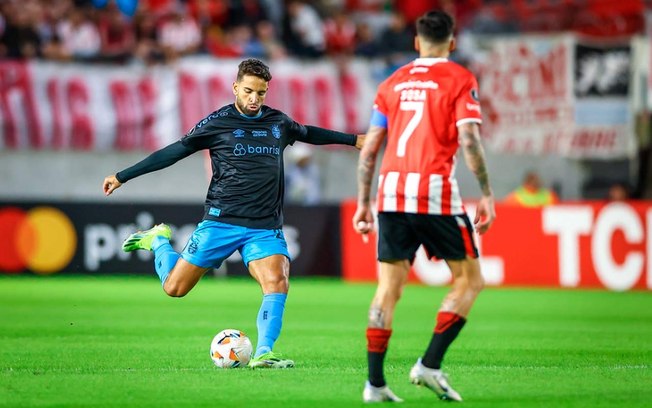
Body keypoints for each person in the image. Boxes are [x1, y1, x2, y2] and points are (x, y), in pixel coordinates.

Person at [103, 58, 364, 369]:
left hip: (265, 226)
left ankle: (264, 353)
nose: (255, 99)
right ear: (236, 88)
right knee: (175, 288)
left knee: (277, 282)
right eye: (249, 91)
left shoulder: (278, 123)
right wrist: (123, 175)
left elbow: (310, 133)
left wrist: (354, 140)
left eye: (262, 93)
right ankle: (158, 240)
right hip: (221, 221)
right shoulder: (217, 123)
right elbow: (173, 152)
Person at [352, 10, 496, 403]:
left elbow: (370, 152)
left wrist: (364, 203)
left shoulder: (391, 83)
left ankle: (375, 384)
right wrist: (485, 192)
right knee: (470, 280)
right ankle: (430, 364)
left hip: (390, 192)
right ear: (452, 42)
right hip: (433, 192)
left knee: (388, 289)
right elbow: (469, 140)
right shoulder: (460, 78)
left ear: (416, 43)